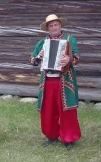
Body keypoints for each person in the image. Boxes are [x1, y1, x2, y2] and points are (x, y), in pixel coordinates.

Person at [30, 14, 81, 150]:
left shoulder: (70, 40)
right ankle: (51, 136)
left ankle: (68, 138)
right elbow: (33, 61)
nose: (53, 28)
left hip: (65, 80)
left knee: (67, 110)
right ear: (48, 28)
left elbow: (76, 57)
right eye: (51, 26)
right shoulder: (42, 43)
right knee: (48, 110)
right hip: (47, 81)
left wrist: (69, 60)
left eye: (56, 25)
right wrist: (38, 57)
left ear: (60, 26)